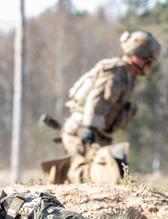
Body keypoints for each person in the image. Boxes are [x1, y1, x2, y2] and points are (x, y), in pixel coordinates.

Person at [53, 30, 160, 184]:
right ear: (136, 56)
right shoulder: (116, 72)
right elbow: (96, 97)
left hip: (97, 132)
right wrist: (89, 127)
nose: (149, 67)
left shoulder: (128, 77)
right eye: (148, 62)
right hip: (83, 129)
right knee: (84, 174)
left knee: (105, 173)